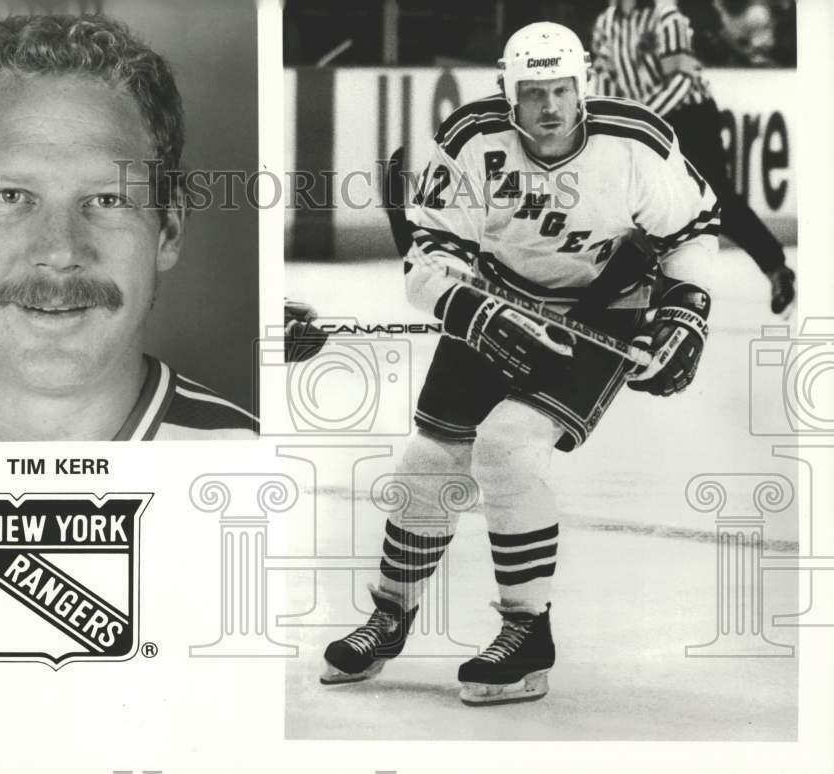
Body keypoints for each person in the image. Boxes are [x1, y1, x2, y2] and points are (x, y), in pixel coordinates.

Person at [321, 22, 718, 705]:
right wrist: (473, 309)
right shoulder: (473, 139)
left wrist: (687, 312)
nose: (551, 107)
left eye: (562, 89)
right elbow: (430, 259)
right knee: (427, 459)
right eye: (534, 93)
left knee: (507, 448)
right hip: (500, 305)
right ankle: (389, 615)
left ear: (583, 86)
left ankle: (527, 631)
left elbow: (693, 230)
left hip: (604, 317)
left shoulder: (638, 142)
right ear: (509, 92)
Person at [0, 14, 256, 442]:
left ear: (169, 229)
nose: (61, 251)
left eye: (108, 200)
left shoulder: (267, 473)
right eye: (11, 196)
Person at [591, 0, 795, 314]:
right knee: (638, 205)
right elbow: (605, 80)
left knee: (717, 199)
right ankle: (645, 291)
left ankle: (775, 268)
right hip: (645, 124)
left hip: (690, 116)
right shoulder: (606, 23)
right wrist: (613, 122)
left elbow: (682, 79)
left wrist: (643, 118)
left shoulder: (665, 15)